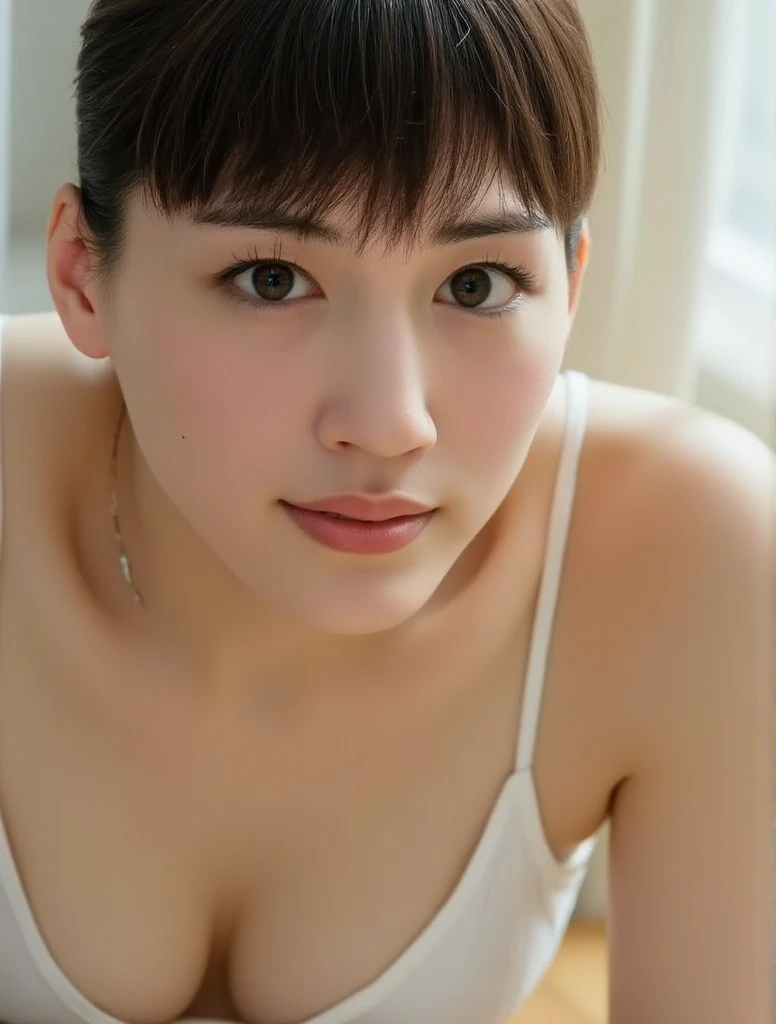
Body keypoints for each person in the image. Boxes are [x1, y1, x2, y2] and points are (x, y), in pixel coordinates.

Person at [0, 1, 770, 1022]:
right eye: (271, 280)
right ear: (82, 274)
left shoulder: (686, 549)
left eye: (479, 281)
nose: (389, 422)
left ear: (569, 289)